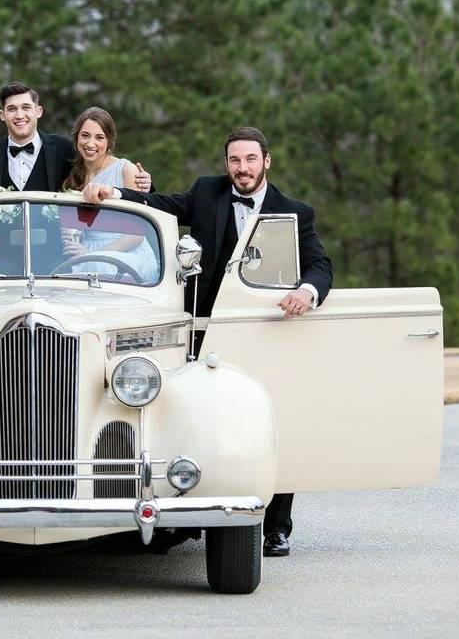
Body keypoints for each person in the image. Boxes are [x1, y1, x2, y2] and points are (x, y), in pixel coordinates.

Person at [83, 126, 333, 557]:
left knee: (273, 422)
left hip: (267, 330)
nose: (242, 169)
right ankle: (195, 512)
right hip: (208, 329)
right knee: (203, 414)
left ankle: (276, 528)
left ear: (266, 162)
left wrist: (306, 293)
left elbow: (320, 266)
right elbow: (160, 205)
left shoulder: (294, 212)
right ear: (227, 164)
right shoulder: (206, 193)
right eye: (235, 161)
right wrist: (117, 197)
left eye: (251, 160)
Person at [59, 106, 157, 281]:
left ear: (109, 141)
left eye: (99, 137)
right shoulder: (72, 173)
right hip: (84, 250)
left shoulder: (125, 170)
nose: (90, 144)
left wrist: (94, 255)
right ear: (76, 137)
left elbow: (136, 234)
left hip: (124, 251)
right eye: (85, 135)